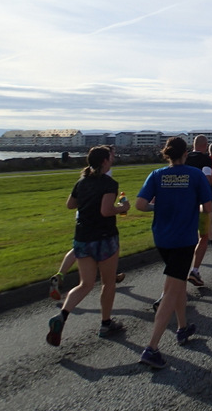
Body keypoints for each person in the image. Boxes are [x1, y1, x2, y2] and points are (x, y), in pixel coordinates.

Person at [135, 137, 212, 369]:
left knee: (177, 283)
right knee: (171, 290)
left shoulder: (157, 175)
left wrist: (157, 206)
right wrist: (195, 208)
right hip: (183, 239)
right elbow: (207, 208)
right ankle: (152, 347)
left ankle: (182, 327)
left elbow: (140, 204)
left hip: (162, 238)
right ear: (185, 154)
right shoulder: (195, 175)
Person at [46, 146, 129, 347]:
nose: (113, 158)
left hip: (82, 237)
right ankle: (106, 324)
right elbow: (106, 210)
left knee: (85, 284)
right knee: (108, 283)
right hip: (104, 238)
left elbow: (70, 205)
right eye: (111, 156)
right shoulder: (109, 183)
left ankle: (62, 316)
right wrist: (123, 208)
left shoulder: (81, 182)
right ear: (104, 161)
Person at [185, 135, 212, 287]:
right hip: (202, 204)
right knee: (203, 237)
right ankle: (195, 270)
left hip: (183, 204)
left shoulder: (185, 158)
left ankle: (180, 271)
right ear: (205, 145)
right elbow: (207, 178)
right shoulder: (206, 160)